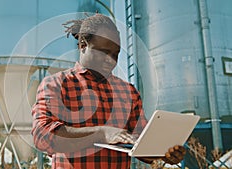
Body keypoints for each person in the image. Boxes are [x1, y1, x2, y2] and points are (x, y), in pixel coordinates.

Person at [31, 13, 186, 169]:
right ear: (83, 45)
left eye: (115, 54)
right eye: (104, 52)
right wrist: (100, 133)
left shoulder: (128, 92)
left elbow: (139, 144)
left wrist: (164, 154)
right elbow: (42, 136)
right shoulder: (56, 84)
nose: (110, 60)